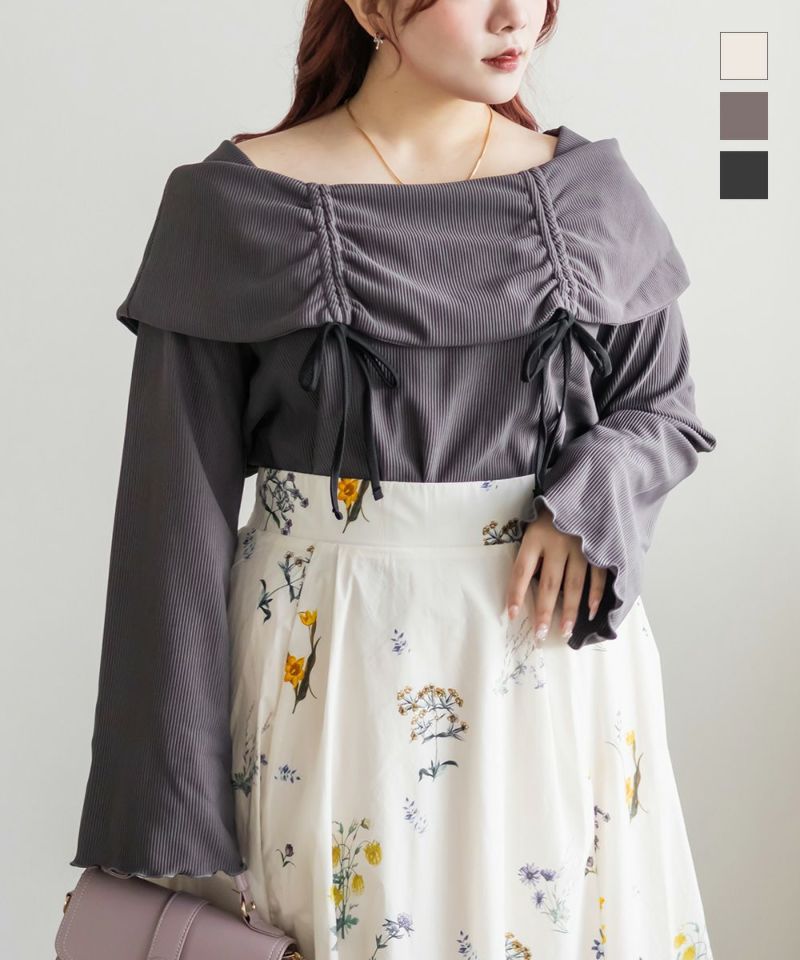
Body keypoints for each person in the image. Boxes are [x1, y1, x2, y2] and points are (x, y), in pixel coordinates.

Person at [70, 1, 718, 957]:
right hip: (334, 684)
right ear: (372, 6)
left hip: (549, 681)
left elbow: (664, 410)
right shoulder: (236, 205)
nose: (518, 17)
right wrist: (173, 819)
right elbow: (172, 528)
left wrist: (587, 499)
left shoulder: (588, 195)